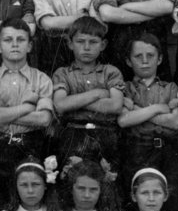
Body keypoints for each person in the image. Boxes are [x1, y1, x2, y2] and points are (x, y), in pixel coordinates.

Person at [0, 19, 55, 205]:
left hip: (31, 145)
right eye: (8, 40)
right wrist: (28, 107)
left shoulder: (42, 79)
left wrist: (4, 111)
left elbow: (43, 119)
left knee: (29, 200)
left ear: (29, 46)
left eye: (20, 40)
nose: (14, 44)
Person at [118, 34, 178, 211]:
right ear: (129, 61)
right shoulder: (125, 88)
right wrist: (158, 108)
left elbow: (175, 122)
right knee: (136, 199)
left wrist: (139, 111)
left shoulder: (170, 87)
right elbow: (124, 120)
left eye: (151, 56)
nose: (145, 61)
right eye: (138, 57)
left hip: (167, 150)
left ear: (160, 58)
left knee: (170, 198)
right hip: (137, 149)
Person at [51, 16, 124, 172]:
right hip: (72, 134)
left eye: (93, 42)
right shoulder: (62, 73)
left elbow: (116, 106)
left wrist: (75, 101)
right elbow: (60, 105)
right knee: (72, 178)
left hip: (106, 134)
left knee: (107, 180)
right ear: (70, 44)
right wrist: (99, 92)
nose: (86, 47)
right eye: (80, 41)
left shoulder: (111, 72)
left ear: (103, 45)